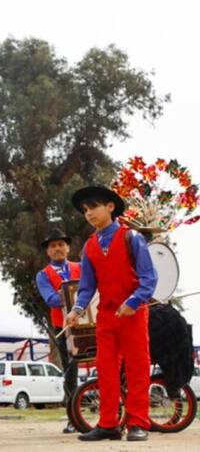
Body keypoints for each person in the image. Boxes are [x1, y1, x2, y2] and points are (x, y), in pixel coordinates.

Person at [65, 185, 157, 442]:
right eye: (85, 210)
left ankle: (139, 423)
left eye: (93, 207)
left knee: (138, 368)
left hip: (133, 314)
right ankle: (108, 424)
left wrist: (135, 300)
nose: (89, 213)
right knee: (105, 370)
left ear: (110, 206)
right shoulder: (90, 246)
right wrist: (76, 310)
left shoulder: (132, 238)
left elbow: (149, 278)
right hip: (106, 317)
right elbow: (86, 287)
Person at [34, 227, 80, 433]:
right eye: (53, 246)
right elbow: (51, 299)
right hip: (63, 327)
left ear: (68, 247)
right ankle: (73, 417)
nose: (57, 249)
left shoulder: (81, 267)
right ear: (48, 252)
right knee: (70, 370)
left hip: (89, 324)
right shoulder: (43, 275)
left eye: (61, 244)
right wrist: (74, 292)